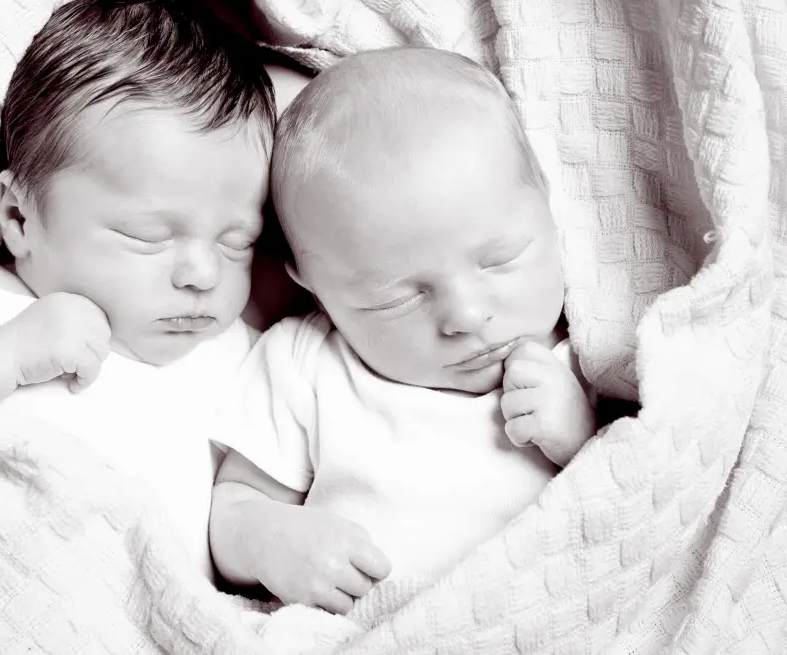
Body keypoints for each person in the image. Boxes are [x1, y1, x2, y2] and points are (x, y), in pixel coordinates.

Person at [0, 0, 277, 580]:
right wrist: (6, 353)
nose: (205, 275)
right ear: (19, 218)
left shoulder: (243, 360)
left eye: (238, 242)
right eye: (149, 235)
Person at [208, 46, 597, 612]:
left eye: (500, 259)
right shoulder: (308, 363)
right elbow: (233, 505)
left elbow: (638, 487)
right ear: (315, 285)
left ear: (547, 205)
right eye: (396, 298)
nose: (465, 315)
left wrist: (581, 438)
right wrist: (268, 541)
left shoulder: (586, 355)